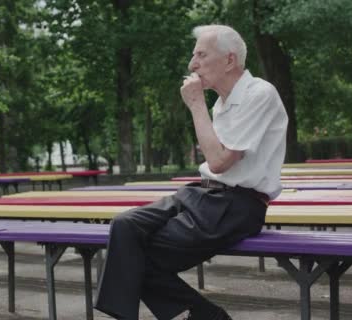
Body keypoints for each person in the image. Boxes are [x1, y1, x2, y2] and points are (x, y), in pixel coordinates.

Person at [94, 24, 288, 320]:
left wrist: (197, 104)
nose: (192, 64)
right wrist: (202, 106)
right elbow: (215, 166)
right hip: (202, 193)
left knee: (133, 259)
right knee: (125, 226)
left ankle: (206, 316)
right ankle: (205, 316)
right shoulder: (222, 104)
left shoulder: (259, 93)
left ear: (229, 60)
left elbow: (221, 161)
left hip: (237, 205)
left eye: (201, 55)